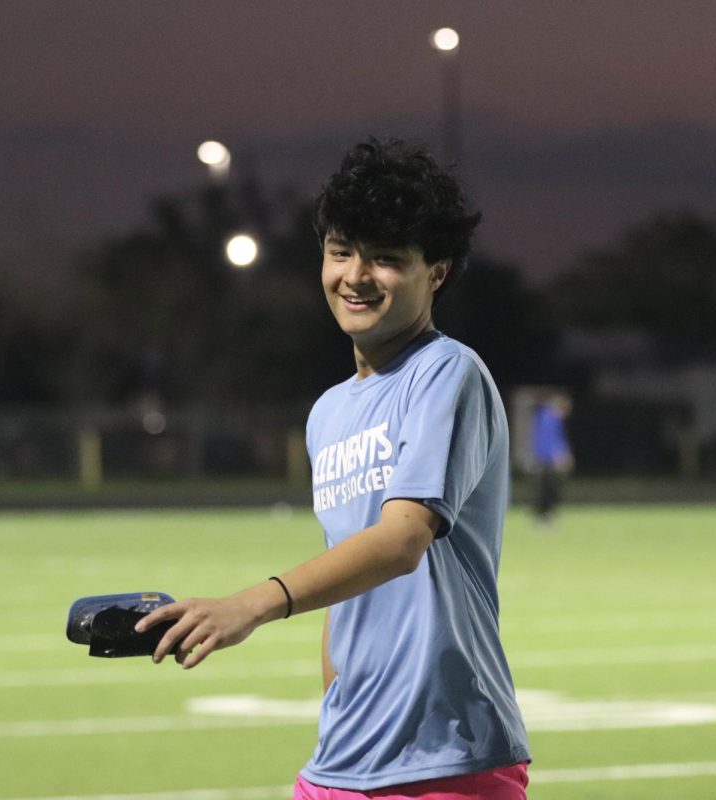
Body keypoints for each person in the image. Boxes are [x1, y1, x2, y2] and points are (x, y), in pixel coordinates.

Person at [136, 139, 530, 798]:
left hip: (445, 760)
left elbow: (402, 540)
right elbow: (350, 579)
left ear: (438, 271)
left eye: (385, 258)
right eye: (341, 251)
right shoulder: (328, 413)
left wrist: (252, 604)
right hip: (342, 763)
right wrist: (334, 715)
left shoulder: (446, 373)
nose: (355, 275)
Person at [530, 391, 573, 526]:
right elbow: (549, 439)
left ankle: (543, 515)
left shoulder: (544, 416)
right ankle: (543, 516)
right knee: (548, 488)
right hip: (546, 460)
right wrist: (558, 455)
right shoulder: (550, 417)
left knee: (546, 488)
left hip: (544, 458)